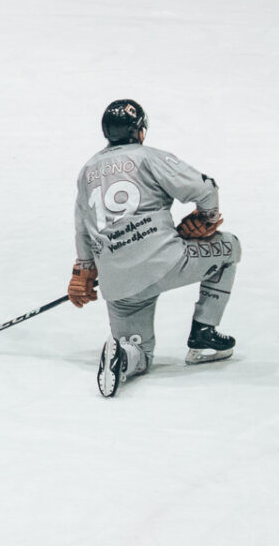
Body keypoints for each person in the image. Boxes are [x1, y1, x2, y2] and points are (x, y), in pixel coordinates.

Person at [69, 99, 239, 397]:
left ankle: (124, 357)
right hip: (166, 262)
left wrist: (83, 270)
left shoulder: (87, 171)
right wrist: (206, 218)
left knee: (140, 352)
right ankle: (204, 335)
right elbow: (206, 188)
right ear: (140, 131)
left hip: (117, 282)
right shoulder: (149, 157)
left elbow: (83, 226)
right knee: (229, 248)